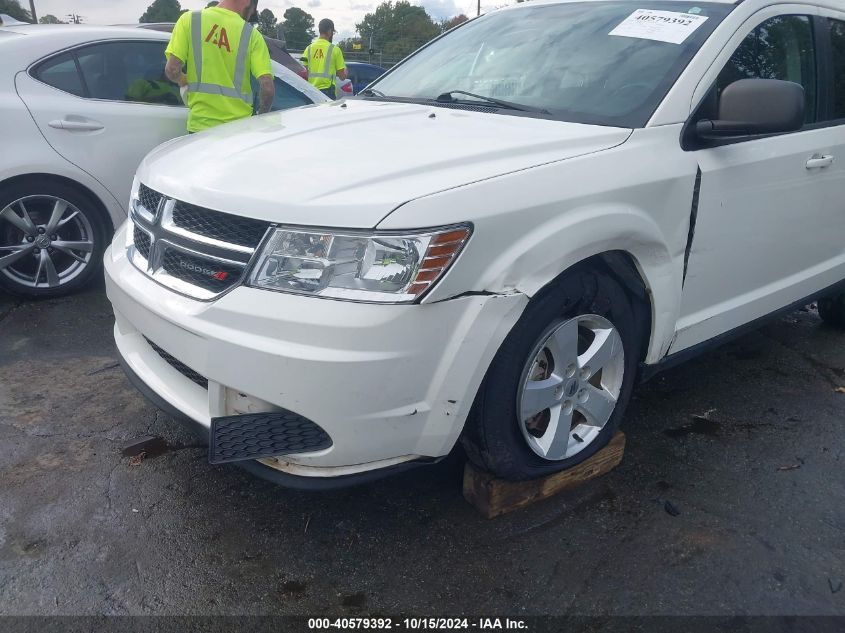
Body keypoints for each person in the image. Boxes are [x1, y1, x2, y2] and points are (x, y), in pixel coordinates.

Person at [163, 0, 275, 133]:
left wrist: (182, 80)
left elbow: (172, 70)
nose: (250, 17)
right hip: (239, 130)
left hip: (200, 127)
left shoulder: (190, 20)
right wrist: (260, 119)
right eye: (252, 12)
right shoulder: (252, 35)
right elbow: (267, 87)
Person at [301, 18, 348, 99]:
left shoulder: (308, 48)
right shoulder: (335, 49)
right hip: (327, 90)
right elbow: (342, 77)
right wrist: (346, 70)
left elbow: (304, 72)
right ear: (330, 31)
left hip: (311, 91)